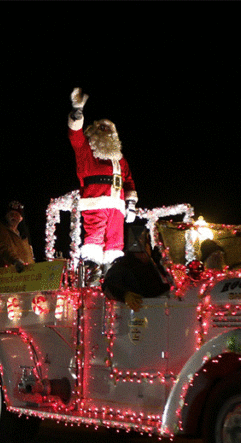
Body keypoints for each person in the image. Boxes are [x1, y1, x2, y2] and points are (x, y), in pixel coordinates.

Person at [68, 87, 138, 281]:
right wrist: (77, 111)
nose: (105, 132)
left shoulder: (120, 159)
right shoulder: (86, 151)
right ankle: (91, 279)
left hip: (117, 205)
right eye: (101, 129)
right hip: (95, 202)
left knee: (115, 244)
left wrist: (131, 204)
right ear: (94, 132)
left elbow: (129, 181)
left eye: (109, 130)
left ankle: (114, 279)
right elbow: (75, 136)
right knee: (94, 241)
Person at [102, 225, 171, 312]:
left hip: (158, 313)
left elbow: (164, 289)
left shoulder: (158, 265)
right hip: (134, 315)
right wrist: (125, 295)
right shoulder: (123, 265)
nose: (142, 248)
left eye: (145, 243)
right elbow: (109, 285)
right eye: (138, 244)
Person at [0, 200, 34, 272]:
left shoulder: (23, 236)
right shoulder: (0, 230)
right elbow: (3, 248)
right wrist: (16, 261)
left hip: (25, 275)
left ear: (21, 219)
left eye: (16, 215)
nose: (13, 217)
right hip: (7, 275)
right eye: (11, 214)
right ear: (6, 216)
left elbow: (29, 255)